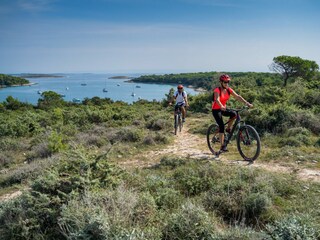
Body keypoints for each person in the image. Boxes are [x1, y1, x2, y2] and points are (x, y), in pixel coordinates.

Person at [212, 74, 253, 152]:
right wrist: (221, 106)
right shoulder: (217, 90)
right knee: (221, 126)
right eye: (225, 82)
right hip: (216, 109)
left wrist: (247, 103)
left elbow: (237, 96)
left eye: (228, 82)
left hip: (223, 108)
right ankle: (222, 146)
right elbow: (217, 99)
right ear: (221, 82)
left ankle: (228, 129)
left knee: (234, 114)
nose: (227, 83)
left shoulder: (228, 89)